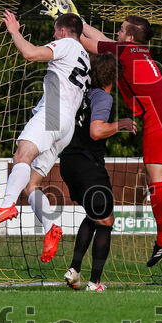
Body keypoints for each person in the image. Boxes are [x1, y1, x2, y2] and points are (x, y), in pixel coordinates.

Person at [63, 0, 162, 268]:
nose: (118, 32)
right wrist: (81, 20)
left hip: (159, 117)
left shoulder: (123, 51)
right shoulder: (136, 51)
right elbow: (102, 41)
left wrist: (68, 24)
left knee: (156, 182)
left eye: (122, 29)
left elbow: (87, 43)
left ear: (130, 38)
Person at [0, 10, 91, 264]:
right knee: (31, 184)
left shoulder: (66, 44)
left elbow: (30, 53)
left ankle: (7, 205)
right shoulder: (84, 54)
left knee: (22, 154)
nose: (53, 35)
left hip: (53, 111)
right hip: (67, 126)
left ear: (63, 31)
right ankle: (51, 227)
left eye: (55, 30)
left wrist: (14, 31)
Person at [61, 54, 134, 291]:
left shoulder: (80, 92)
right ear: (114, 77)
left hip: (68, 162)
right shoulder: (102, 96)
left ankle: (74, 271)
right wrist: (121, 124)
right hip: (88, 165)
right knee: (106, 220)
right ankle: (95, 283)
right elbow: (96, 131)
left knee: (95, 215)